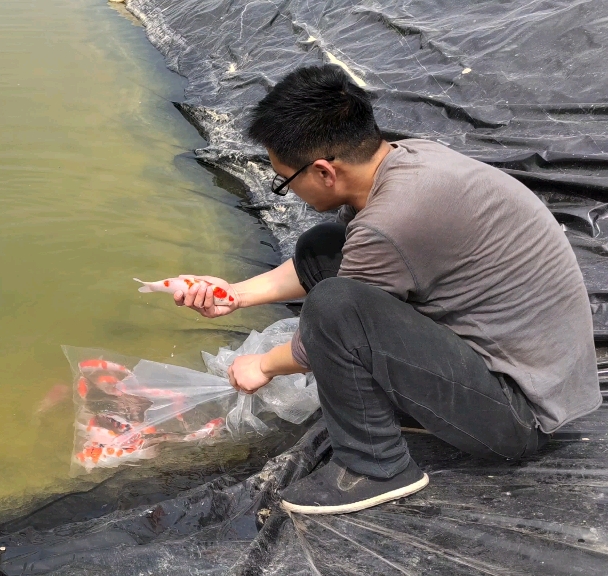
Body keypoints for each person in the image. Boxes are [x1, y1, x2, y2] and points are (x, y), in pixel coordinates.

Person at [174, 65, 602, 515]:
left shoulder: (394, 221)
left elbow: (322, 332)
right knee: (323, 246)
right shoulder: (407, 160)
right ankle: (398, 416)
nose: (289, 192)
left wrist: (262, 364)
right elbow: (339, 259)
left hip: (521, 415)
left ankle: (376, 467)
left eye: (284, 181)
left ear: (323, 171)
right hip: (515, 369)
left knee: (334, 306)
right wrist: (234, 296)